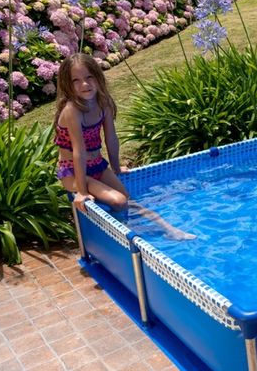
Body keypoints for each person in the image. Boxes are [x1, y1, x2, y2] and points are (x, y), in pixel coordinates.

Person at [54, 53, 194, 240]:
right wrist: (82, 191)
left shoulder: (103, 103)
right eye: (76, 80)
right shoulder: (72, 110)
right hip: (72, 171)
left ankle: (170, 230)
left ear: (98, 77)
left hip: (97, 164)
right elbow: (78, 151)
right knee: (119, 201)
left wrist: (116, 168)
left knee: (128, 199)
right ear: (67, 85)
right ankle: (122, 237)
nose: (85, 84)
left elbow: (111, 138)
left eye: (89, 77)